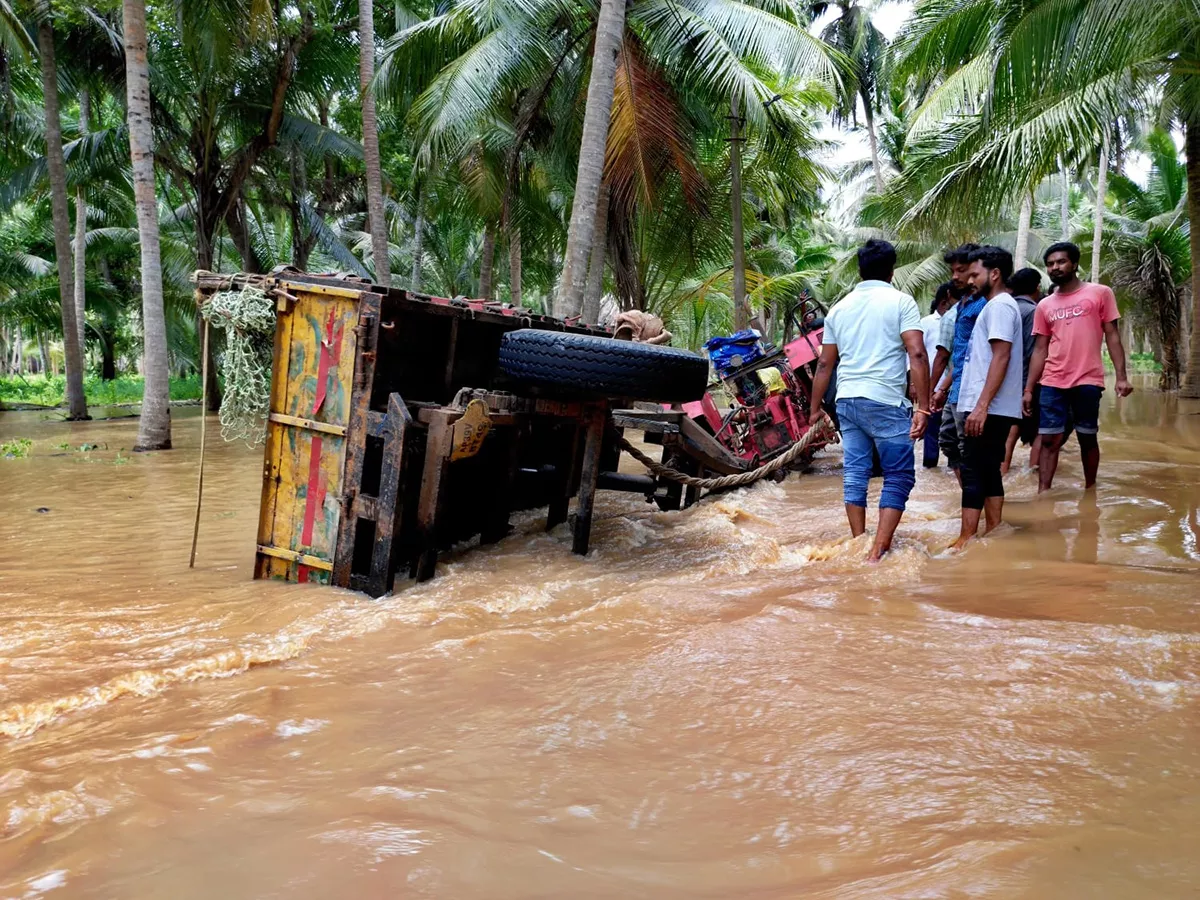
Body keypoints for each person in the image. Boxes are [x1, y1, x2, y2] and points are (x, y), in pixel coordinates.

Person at [809, 239, 930, 562]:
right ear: (892, 270)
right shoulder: (901, 302)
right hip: (885, 400)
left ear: (860, 270)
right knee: (899, 474)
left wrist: (814, 408)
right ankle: (877, 550)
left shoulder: (839, 308)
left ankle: (859, 541)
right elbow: (916, 353)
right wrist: (924, 407)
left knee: (856, 472)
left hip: (847, 399)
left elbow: (824, 364)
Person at [1023, 241, 1133, 492]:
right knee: (1050, 439)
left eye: (1061, 262)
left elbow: (1112, 335)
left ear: (1074, 264)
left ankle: (1090, 490)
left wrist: (1122, 377)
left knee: (1087, 436)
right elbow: (1040, 348)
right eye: (1050, 264)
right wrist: (1029, 388)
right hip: (1052, 380)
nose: (1055, 267)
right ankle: (1043, 494)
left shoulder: (1100, 293)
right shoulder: (1044, 305)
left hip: (1088, 378)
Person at [950, 246, 1024, 551]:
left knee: (973, 468)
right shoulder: (997, 306)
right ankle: (994, 529)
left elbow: (1001, 356)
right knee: (989, 469)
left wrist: (980, 407)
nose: (970, 281)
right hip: (992, 405)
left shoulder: (999, 307)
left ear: (995, 274)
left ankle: (966, 539)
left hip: (988, 407)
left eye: (976, 275)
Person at [930, 244, 984, 483]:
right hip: (957, 387)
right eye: (953, 271)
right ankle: (970, 494)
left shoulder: (985, 306)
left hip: (973, 391)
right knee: (949, 441)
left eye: (960, 270)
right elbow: (960, 357)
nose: (955, 276)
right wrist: (942, 389)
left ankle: (976, 502)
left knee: (969, 448)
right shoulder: (962, 307)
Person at [1002, 267, 1043, 472]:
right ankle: (1031, 476)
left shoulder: (1002, 307)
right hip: (1023, 379)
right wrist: (1029, 388)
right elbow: (1031, 350)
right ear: (1037, 287)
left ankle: (999, 476)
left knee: (1003, 433)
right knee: (1026, 431)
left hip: (999, 379)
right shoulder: (1033, 311)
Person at [919, 283, 955, 467]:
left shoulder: (958, 319)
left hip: (951, 384)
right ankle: (930, 465)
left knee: (952, 430)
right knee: (931, 429)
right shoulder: (925, 323)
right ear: (944, 301)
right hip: (933, 384)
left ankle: (952, 466)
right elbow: (917, 355)